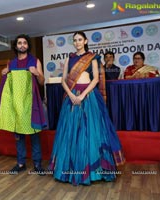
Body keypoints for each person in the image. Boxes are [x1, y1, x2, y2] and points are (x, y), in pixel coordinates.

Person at [48, 31, 125, 186]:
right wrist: (70, 94)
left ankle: (94, 171)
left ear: (85, 41)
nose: (77, 42)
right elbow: (63, 80)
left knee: (92, 131)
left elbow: (96, 78)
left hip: (88, 97)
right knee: (70, 132)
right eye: (74, 40)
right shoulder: (69, 58)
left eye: (79, 40)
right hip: (71, 97)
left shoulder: (93, 58)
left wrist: (82, 96)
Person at [0, 34, 47, 175]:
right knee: (19, 137)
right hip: (16, 105)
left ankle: (37, 164)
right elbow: (8, 85)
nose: (22, 45)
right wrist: (4, 74)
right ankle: (20, 163)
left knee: (35, 135)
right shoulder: (11, 63)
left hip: (31, 105)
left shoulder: (35, 61)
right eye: (19, 43)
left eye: (24, 43)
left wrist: (37, 73)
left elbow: (42, 81)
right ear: (16, 46)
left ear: (28, 45)